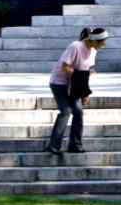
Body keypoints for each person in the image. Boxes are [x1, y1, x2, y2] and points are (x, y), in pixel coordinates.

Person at [45, 27, 108, 156]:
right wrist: (78, 78)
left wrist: (85, 92)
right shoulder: (76, 46)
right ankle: (54, 146)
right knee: (66, 110)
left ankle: (75, 145)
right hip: (59, 83)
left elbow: (86, 72)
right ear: (94, 41)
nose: (103, 46)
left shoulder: (93, 51)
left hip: (75, 85)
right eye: (101, 43)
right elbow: (65, 67)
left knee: (78, 112)